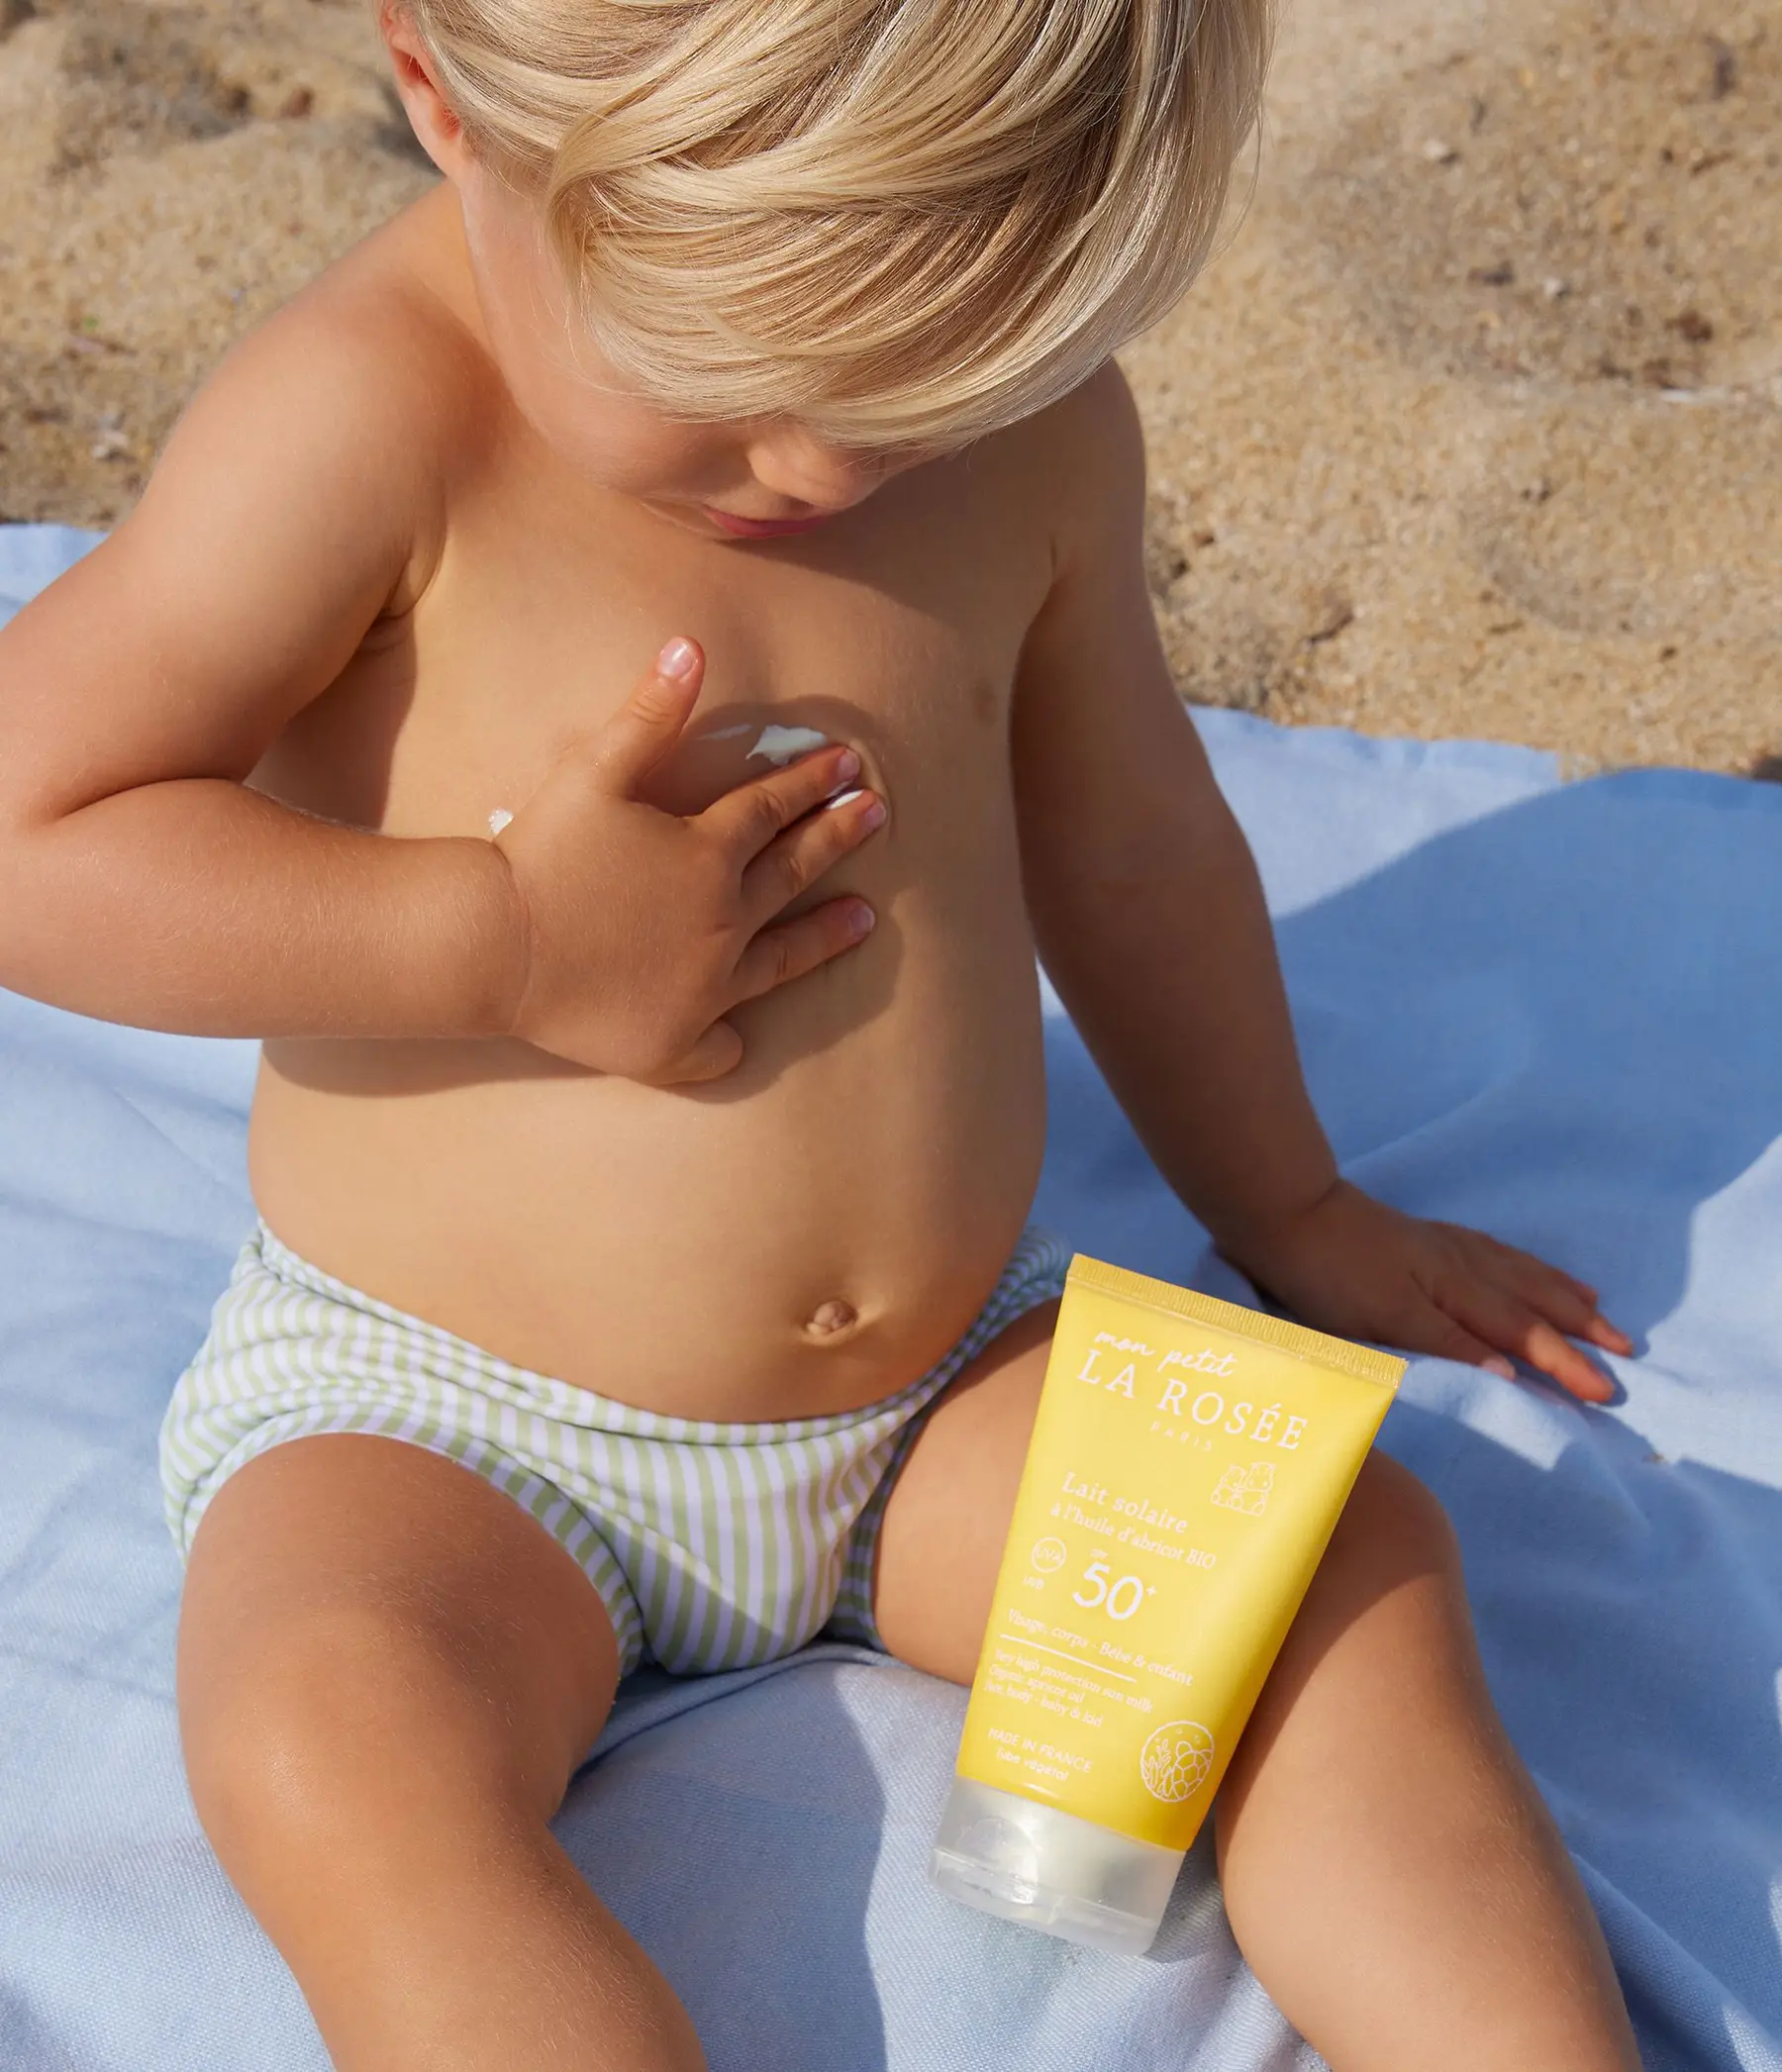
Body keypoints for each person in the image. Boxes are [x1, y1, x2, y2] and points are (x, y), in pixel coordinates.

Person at [0, 0, 1643, 2063]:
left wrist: (1292, 1200)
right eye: (739, 378)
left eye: (922, 375)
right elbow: (29, 825)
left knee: (1342, 1559)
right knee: (335, 1745)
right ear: (446, 98)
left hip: (938, 1383)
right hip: (439, 1414)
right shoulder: (372, 416)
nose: (835, 460)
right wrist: (497, 934)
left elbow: (1130, 844)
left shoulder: (1025, 430)